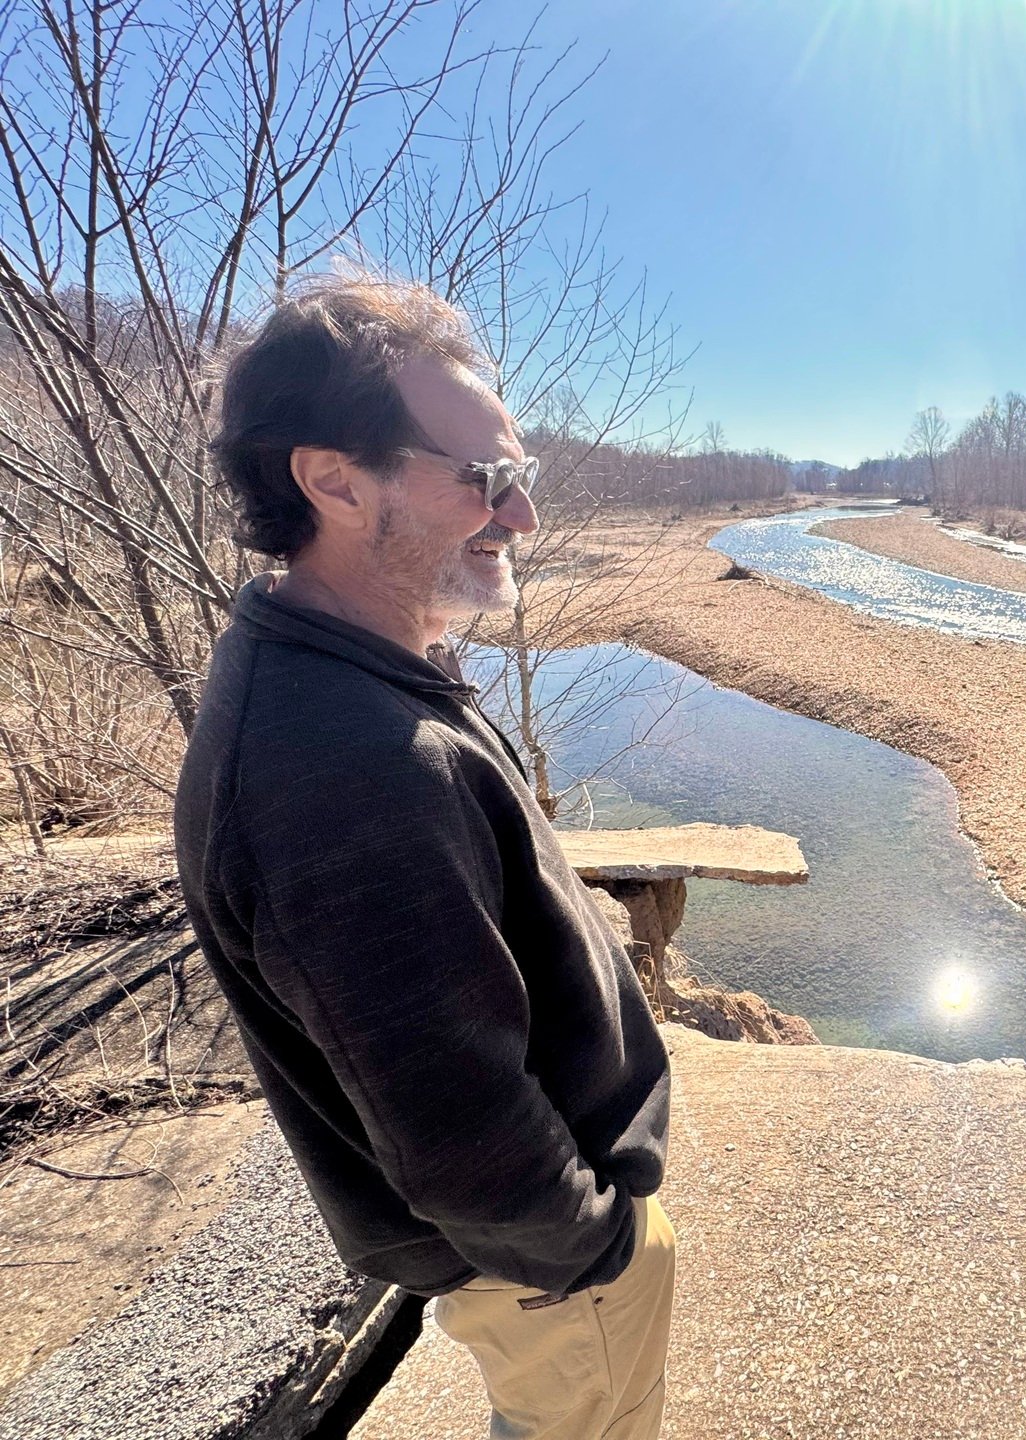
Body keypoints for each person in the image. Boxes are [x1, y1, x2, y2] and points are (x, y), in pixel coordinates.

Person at [174, 277, 674, 1440]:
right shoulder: (338, 764)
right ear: (334, 480)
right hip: (554, 1272)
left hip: (543, 1252)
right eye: (486, 482)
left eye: (523, 479)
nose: (523, 519)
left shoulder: (357, 660)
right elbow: (457, 1131)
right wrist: (598, 1247)